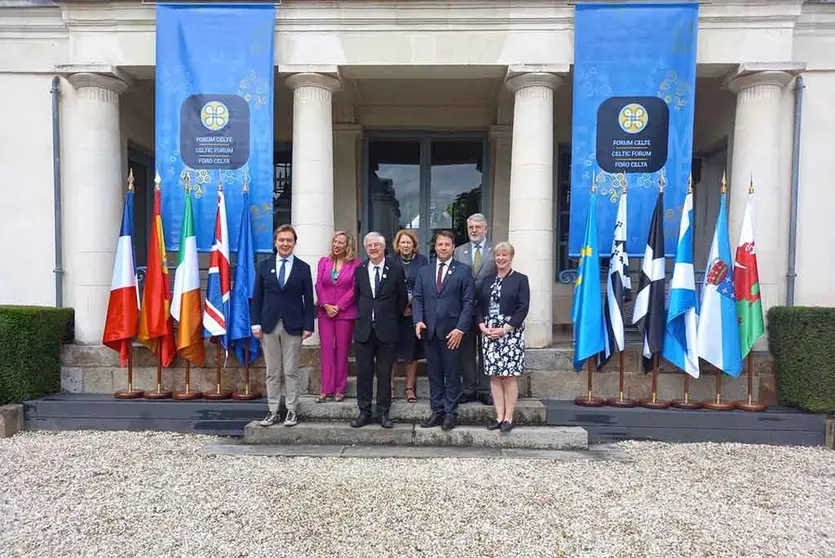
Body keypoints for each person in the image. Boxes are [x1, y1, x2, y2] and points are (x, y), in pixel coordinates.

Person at [251, 224, 315, 428]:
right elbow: (257, 297)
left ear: (295, 243)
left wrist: (309, 325)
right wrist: (255, 323)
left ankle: (291, 411)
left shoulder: (303, 268)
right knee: (272, 371)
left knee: (290, 370)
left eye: (289, 240)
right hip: (268, 325)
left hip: (294, 325)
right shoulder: (264, 266)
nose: (285, 243)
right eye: (282, 240)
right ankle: (272, 411)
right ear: (275, 242)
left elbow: (308, 298)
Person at [413, 229, 474, 431]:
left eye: (447, 244)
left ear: (453, 247)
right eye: (440, 244)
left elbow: (468, 303)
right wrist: (418, 321)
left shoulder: (463, 271)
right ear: (435, 246)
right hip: (430, 331)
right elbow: (418, 299)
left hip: (452, 333)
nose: (444, 247)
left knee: (452, 374)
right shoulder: (425, 271)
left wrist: (460, 330)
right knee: (434, 374)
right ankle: (437, 411)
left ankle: (450, 413)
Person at [351, 232, 408, 429]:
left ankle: (383, 413)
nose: (373, 248)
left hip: (387, 330)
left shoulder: (396, 270)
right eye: (370, 245)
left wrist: (389, 316)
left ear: (384, 248)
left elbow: (402, 299)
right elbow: (358, 297)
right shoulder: (359, 270)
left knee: (384, 374)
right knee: (363, 373)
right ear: (365, 248)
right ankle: (364, 411)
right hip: (364, 330)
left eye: (377, 245)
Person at [475, 242, 529, 433]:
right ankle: (498, 416)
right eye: (498, 255)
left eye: (504, 255)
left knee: (509, 376)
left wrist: (505, 329)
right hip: (489, 332)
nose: (500, 258)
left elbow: (523, 308)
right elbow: (479, 305)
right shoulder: (488, 281)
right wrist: (482, 326)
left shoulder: (521, 279)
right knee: (495, 377)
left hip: (510, 333)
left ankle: (509, 417)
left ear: (511, 257)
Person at [453, 213, 496, 406]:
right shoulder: (459, 251)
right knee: (467, 350)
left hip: (488, 309)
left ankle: (485, 389)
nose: (474, 230)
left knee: (486, 349)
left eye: (478, 227)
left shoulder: (496, 251)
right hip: (465, 308)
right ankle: (469, 388)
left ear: (485, 229)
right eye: (471, 227)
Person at [315, 231, 361, 403]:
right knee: (327, 349)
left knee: (342, 350)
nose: (336, 245)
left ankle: (340, 389)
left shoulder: (356, 264)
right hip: (325, 313)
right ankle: (326, 388)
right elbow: (319, 284)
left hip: (345, 314)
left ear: (347, 245)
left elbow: (355, 288)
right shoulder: (324, 262)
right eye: (334, 242)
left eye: (340, 242)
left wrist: (339, 306)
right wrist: (326, 305)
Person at [386, 229, 429, 403]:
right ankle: (390, 387)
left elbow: (424, 284)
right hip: (394, 312)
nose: (405, 245)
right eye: (402, 242)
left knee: (411, 352)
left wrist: (410, 303)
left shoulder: (422, 261)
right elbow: (387, 286)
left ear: (414, 245)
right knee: (392, 352)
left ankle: (410, 387)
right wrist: (401, 304)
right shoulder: (390, 261)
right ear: (398, 244)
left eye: (408, 242)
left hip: (414, 311)